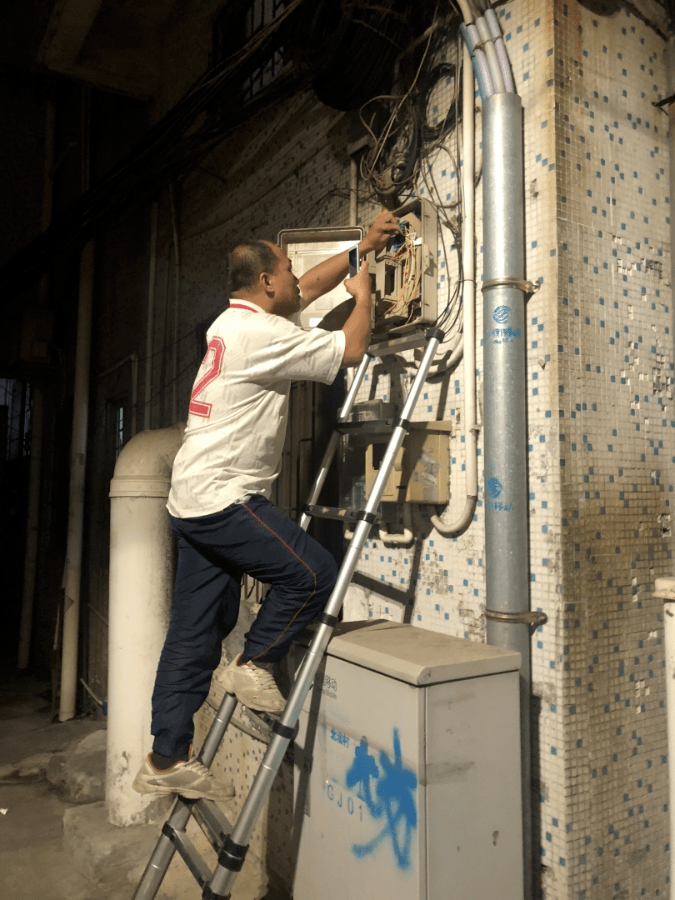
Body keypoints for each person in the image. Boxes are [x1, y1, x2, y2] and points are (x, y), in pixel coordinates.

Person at [133, 210, 399, 801]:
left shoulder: (237, 320)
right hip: (223, 496)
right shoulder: (264, 335)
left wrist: (360, 249)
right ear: (266, 284)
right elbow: (352, 349)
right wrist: (365, 294)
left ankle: (164, 757)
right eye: (286, 268)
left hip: (191, 496)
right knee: (313, 574)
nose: (295, 276)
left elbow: (307, 288)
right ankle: (253, 664)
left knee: (194, 632)